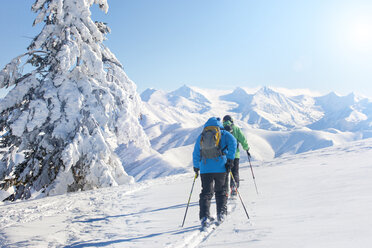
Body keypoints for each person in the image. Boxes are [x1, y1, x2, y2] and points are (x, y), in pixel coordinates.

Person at [192, 117, 237, 227]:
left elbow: (196, 152)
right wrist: (230, 160)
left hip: (205, 168)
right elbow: (233, 142)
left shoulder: (201, 135)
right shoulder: (224, 133)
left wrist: (196, 167)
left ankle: (204, 217)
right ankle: (221, 214)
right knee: (221, 191)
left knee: (206, 193)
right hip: (221, 167)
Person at [222, 115, 250, 197]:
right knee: (235, 172)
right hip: (235, 155)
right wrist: (246, 148)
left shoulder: (221, 129)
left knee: (225, 173)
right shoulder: (236, 129)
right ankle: (234, 188)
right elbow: (243, 139)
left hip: (224, 156)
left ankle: (225, 191)